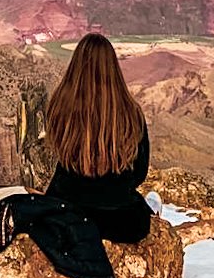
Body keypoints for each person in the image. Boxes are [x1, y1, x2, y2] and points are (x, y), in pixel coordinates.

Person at [42, 32, 153, 244]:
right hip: (121, 221)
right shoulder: (132, 113)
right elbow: (139, 173)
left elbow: (58, 150)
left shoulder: (59, 106)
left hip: (67, 214)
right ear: (113, 69)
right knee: (142, 210)